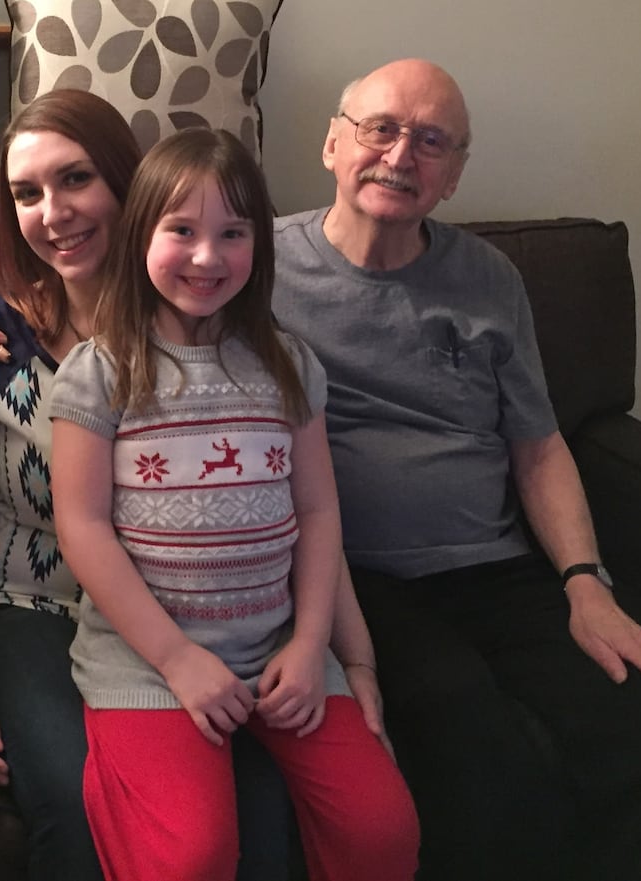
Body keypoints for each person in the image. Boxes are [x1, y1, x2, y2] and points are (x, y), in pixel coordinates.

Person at [0, 59, 641, 881]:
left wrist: (571, 583)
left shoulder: (276, 315)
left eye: (432, 141)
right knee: (112, 810)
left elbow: (348, 497)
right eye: (26, 193)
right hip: (115, 613)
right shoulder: (19, 338)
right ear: (333, 142)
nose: (53, 213)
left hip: (353, 599)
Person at [0, 89, 378, 881]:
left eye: (77, 179)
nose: (53, 212)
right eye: (27, 193)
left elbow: (294, 510)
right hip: (28, 610)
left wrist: (353, 662)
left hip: (195, 623)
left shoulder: (224, 323)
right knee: (77, 798)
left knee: (262, 820)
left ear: (134, 186)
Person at [46, 127, 418, 881]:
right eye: (181, 230)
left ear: (259, 245)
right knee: (190, 856)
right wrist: (179, 658)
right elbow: (81, 525)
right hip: (149, 661)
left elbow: (318, 513)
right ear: (140, 236)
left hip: (282, 647)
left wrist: (316, 645)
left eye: (232, 233)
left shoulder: (289, 365)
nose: (208, 257)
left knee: (383, 832)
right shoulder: (99, 371)